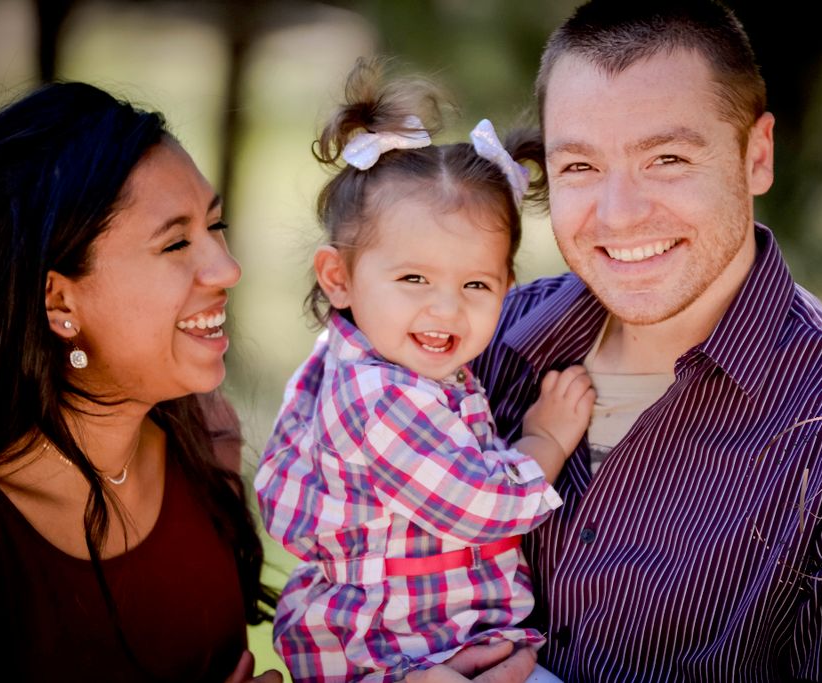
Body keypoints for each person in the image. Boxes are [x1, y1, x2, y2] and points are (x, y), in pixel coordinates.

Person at [410, 1, 822, 681]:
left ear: (757, 156)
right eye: (580, 167)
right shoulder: (469, 352)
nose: (619, 214)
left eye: (666, 158)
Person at [254, 59, 595, 683]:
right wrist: (544, 442)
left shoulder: (364, 354)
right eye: (413, 278)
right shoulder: (379, 397)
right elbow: (480, 506)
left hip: (425, 638)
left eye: (475, 283)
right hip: (391, 651)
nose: (446, 308)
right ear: (340, 278)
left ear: (506, 287)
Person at [0, 82, 281, 683]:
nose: (228, 268)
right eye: (175, 242)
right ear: (60, 300)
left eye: (214, 225)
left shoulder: (205, 437)